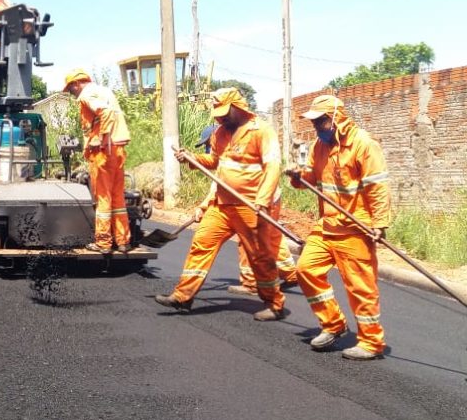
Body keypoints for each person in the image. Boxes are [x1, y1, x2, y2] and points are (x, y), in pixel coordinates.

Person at [155, 87, 287, 321]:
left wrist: (263, 200)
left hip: (251, 205)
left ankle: (274, 304)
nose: (221, 117)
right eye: (218, 112)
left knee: (260, 256)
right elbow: (215, 161)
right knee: (201, 243)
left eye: (226, 112)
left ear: (238, 107)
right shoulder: (220, 133)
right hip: (223, 205)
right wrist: (193, 159)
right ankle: (183, 296)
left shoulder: (261, 132)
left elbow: (273, 167)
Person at [287, 95, 391, 360]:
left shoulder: (363, 145)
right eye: (314, 122)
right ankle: (333, 324)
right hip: (328, 224)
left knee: (360, 286)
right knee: (305, 269)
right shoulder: (319, 147)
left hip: (356, 227)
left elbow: (377, 185)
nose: (316, 127)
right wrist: (298, 178)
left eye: (320, 121)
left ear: (336, 118)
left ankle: (371, 342)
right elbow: (311, 178)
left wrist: (379, 222)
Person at [193, 125, 299, 296]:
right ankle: (291, 274)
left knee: (248, 236)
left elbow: (218, 188)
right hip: (265, 197)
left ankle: (250, 283)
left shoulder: (232, 154)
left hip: (261, 198)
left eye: (208, 144)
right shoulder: (226, 156)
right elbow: (219, 187)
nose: (209, 148)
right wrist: (202, 207)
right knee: (271, 238)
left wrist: (203, 207)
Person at [62, 68, 132, 254]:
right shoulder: (105, 91)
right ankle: (123, 241)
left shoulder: (86, 95)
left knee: (103, 197)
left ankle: (103, 242)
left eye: (70, 89)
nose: (71, 94)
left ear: (77, 84)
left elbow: (106, 113)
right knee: (117, 197)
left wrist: (103, 137)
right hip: (117, 150)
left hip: (103, 151)